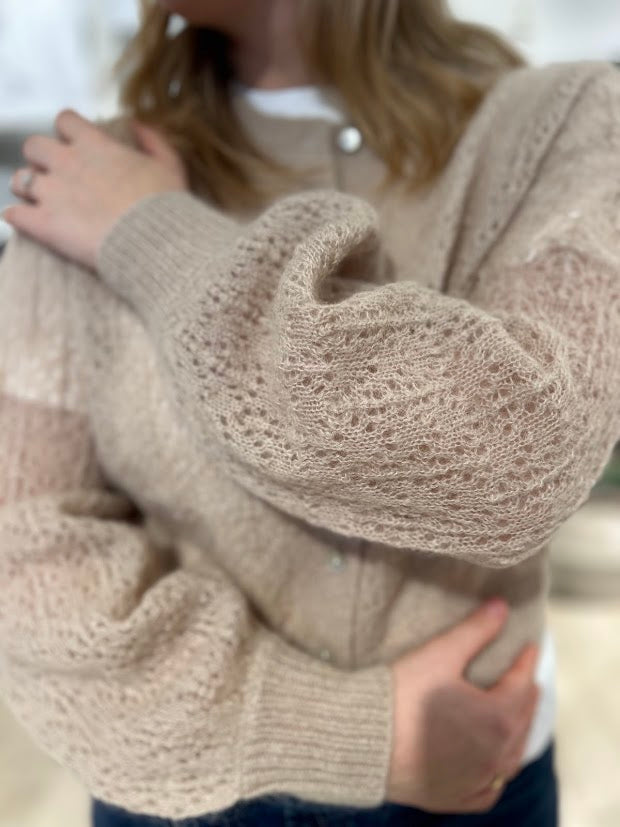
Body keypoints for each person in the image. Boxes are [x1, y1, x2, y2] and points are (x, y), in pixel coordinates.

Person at [1, 0, 619, 824]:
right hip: (182, 793)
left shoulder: (563, 122)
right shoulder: (87, 173)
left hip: (479, 779)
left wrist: (151, 236)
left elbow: (521, 458)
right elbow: (24, 545)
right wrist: (346, 731)